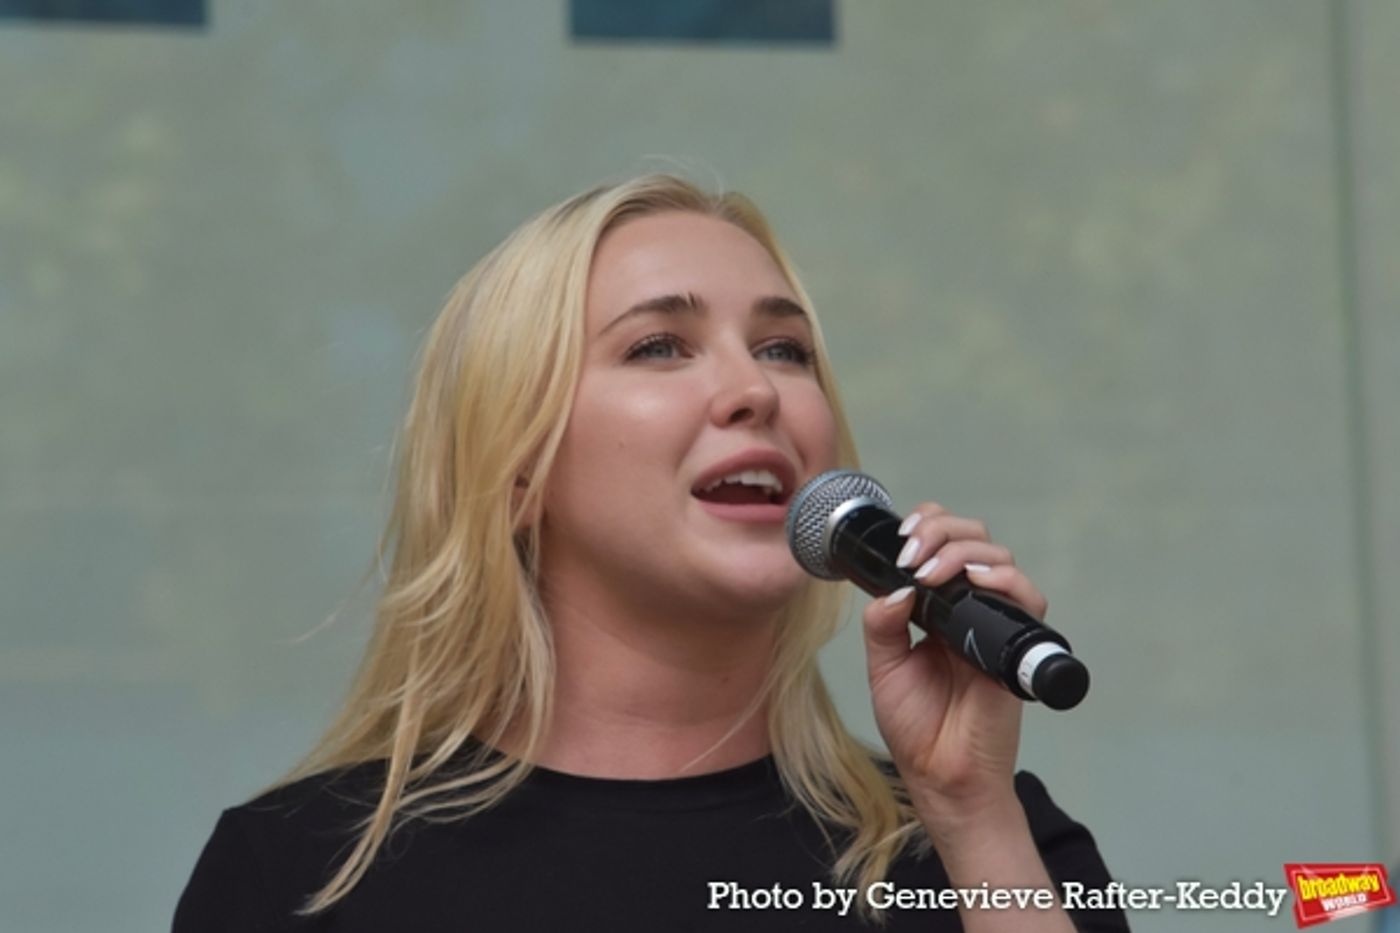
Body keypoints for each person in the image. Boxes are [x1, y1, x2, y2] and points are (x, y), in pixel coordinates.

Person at [174, 174, 1129, 932]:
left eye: (785, 349)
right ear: (517, 469)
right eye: (660, 346)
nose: (755, 389)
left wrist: (970, 816)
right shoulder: (299, 872)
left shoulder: (992, 844)